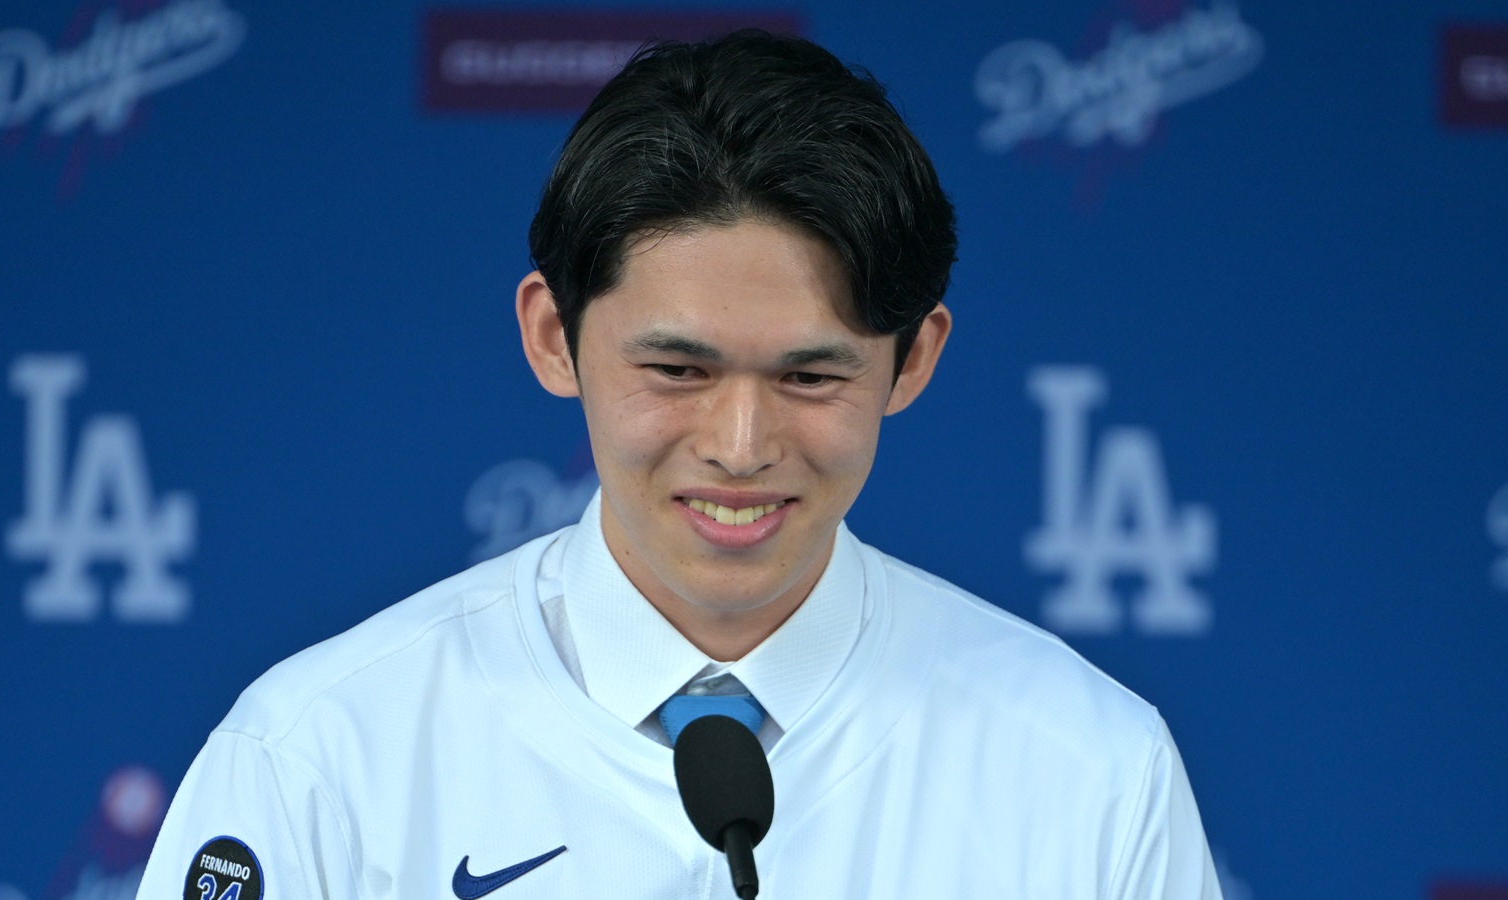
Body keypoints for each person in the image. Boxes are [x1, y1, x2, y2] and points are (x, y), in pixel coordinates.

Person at [139, 30, 1221, 900]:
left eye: (810, 378)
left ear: (914, 360)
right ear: (553, 337)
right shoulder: (320, 753)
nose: (741, 448)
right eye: (676, 368)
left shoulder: (1089, 771)